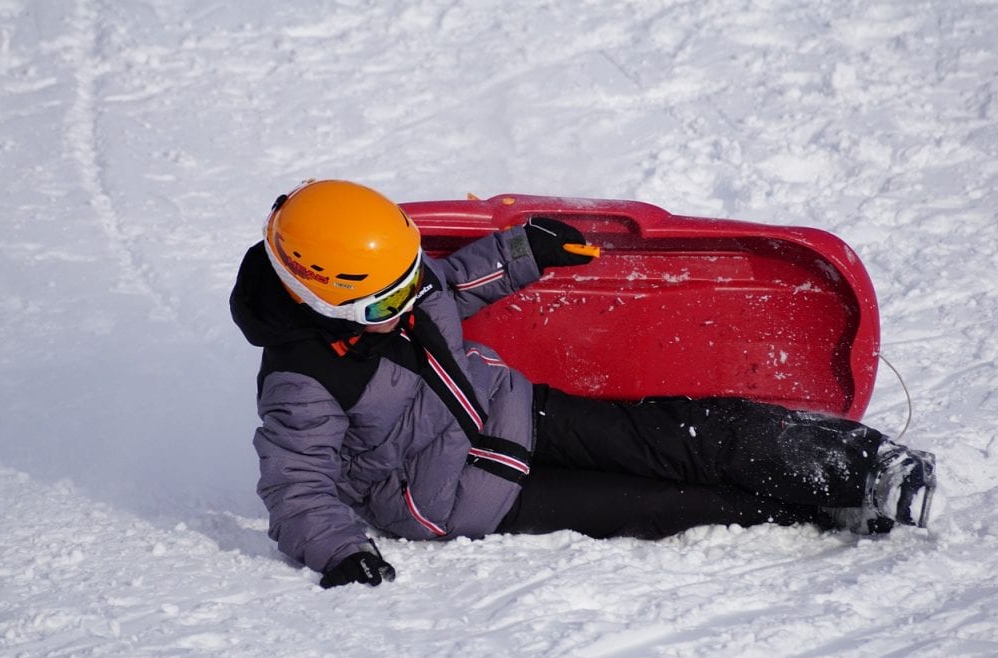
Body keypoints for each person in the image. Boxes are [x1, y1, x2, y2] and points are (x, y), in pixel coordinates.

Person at [230, 179, 937, 589]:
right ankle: (823, 513)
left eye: (407, 280)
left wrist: (521, 252)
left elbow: (448, 285)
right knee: (664, 506)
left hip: (515, 410)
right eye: (387, 303)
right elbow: (298, 488)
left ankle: (861, 467)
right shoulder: (302, 381)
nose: (409, 302)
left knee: (679, 432)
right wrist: (341, 551)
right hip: (474, 496)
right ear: (319, 299)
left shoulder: (396, 285)